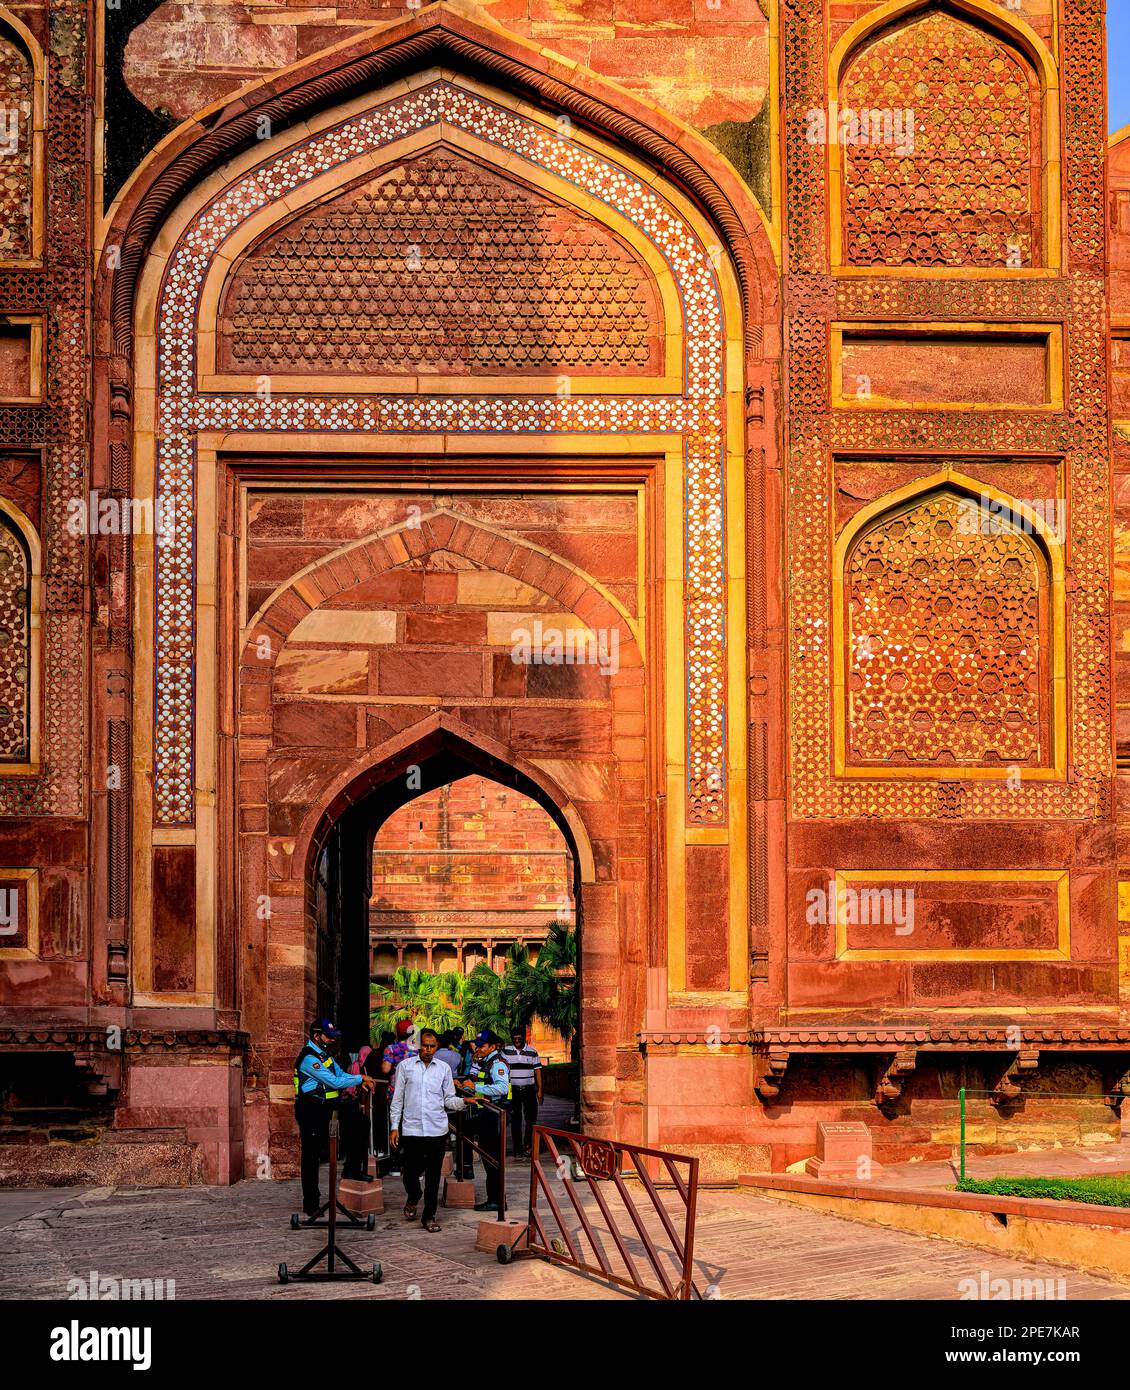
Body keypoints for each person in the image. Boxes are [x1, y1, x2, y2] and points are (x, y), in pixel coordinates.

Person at [293, 1018, 374, 1217]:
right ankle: (310, 1202)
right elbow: (335, 1081)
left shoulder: (325, 1055)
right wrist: (360, 1078)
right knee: (312, 1154)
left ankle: (352, 1169)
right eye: (328, 1036)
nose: (331, 1040)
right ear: (316, 1036)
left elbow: (341, 1074)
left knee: (360, 1122)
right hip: (310, 1108)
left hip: (328, 1105)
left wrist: (357, 1080)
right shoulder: (309, 1058)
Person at [389, 1027, 465, 1232]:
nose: (428, 1050)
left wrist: (465, 1101)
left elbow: (449, 1099)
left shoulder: (443, 1069)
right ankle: (414, 1196)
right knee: (410, 1175)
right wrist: (394, 1127)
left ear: (437, 1047)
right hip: (412, 1130)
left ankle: (429, 1216)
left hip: (437, 1130)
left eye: (432, 1046)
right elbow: (398, 1100)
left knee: (433, 1176)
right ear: (418, 1045)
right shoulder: (405, 1067)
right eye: (425, 1045)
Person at [455, 1030, 511, 1212]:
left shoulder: (497, 1064)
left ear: (493, 1047)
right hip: (487, 1114)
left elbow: (502, 1088)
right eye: (477, 1045)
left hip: (496, 1115)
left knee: (492, 1158)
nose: (477, 1048)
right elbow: (482, 1087)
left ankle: (496, 1200)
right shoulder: (486, 1062)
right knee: (483, 1151)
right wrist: (465, 1085)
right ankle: (466, 1167)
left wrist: (475, 1086)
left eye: (482, 1045)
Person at [381, 1021, 417, 1176]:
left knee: (396, 1127)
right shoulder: (418, 1050)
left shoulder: (391, 1049)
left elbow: (385, 1069)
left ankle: (395, 1164)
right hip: (414, 1093)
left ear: (397, 1033)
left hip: (396, 1093)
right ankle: (413, 1165)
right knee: (413, 1128)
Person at [501, 1026, 543, 1158]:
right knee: (515, 1119)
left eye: (519, 1038)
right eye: (514, 1039)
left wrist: (540, 1090)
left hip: (529, 1090)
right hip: (512, 1090)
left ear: (524, 1038)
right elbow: (501, 1069)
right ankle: (518, 1148)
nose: (517, 1041)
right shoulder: (505, 1051)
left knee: (531, 1118)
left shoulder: (533, 1052)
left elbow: (538, 1071)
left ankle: (528, 1145)